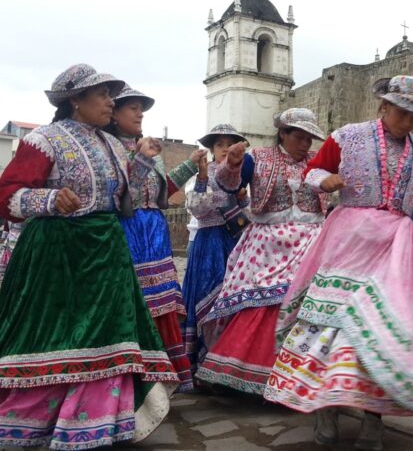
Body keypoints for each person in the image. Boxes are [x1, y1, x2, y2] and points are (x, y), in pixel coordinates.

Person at [264, 76, 413, 451]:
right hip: (349, 237)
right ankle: (327, 407)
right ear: (384, 106)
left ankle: (373, 416)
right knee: (333, 323)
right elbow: (312, 171)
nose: (410, 122)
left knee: (387, 327)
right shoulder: (347, 137)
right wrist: (328, 180)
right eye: (404, 112)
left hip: (397, 245)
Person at [0, 64, 178, 449]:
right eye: (101, 95)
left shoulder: (113, 145)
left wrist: (145, 161)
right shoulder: (44, 140)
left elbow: (131, 198)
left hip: (107, 251)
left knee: (110, 336)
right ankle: (33, 423)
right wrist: (49, 198)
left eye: (110, 95)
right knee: (55, 332)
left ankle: (97, 424)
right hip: (58, 252)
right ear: (74, 100)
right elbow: (8, 193)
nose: (110, 102)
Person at [195, 109, 327, 394]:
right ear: (283, 134)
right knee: (262, 300)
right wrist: (232, 164)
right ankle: (253, 374)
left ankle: (301, 377)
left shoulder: (317, 163)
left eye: (309, 138)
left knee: (306, 303)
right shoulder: (260, 158)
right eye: (299, 137)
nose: (305, 144)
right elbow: (230, 184)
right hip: (268, 244)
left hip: (311, 243)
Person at [107, 84, 201, 392]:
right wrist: (141, 159)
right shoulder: (108, 148)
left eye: (141, 107)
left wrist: (190, 165)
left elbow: (162, 193)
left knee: (162, 305)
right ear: (114, 112)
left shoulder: (147, 148)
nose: (139, 113)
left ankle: (165, 374)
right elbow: (122, 198)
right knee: (135, 301)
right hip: (127, 228)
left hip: (155, 231)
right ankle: (133, 377)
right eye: (132, 107)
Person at [181, 124, 249, 375]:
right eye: (220, 144)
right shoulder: (204, 174)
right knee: (207, 295)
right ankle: (204, 363)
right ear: (211, 149)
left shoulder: (240, 173)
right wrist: (201, 177)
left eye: (230, 144)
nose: (225, 149)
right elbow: (198, 209)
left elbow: (247, 208)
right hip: (209, 243)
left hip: (234, 242)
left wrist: (242, 197)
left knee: (232, 298)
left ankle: (226, 363)